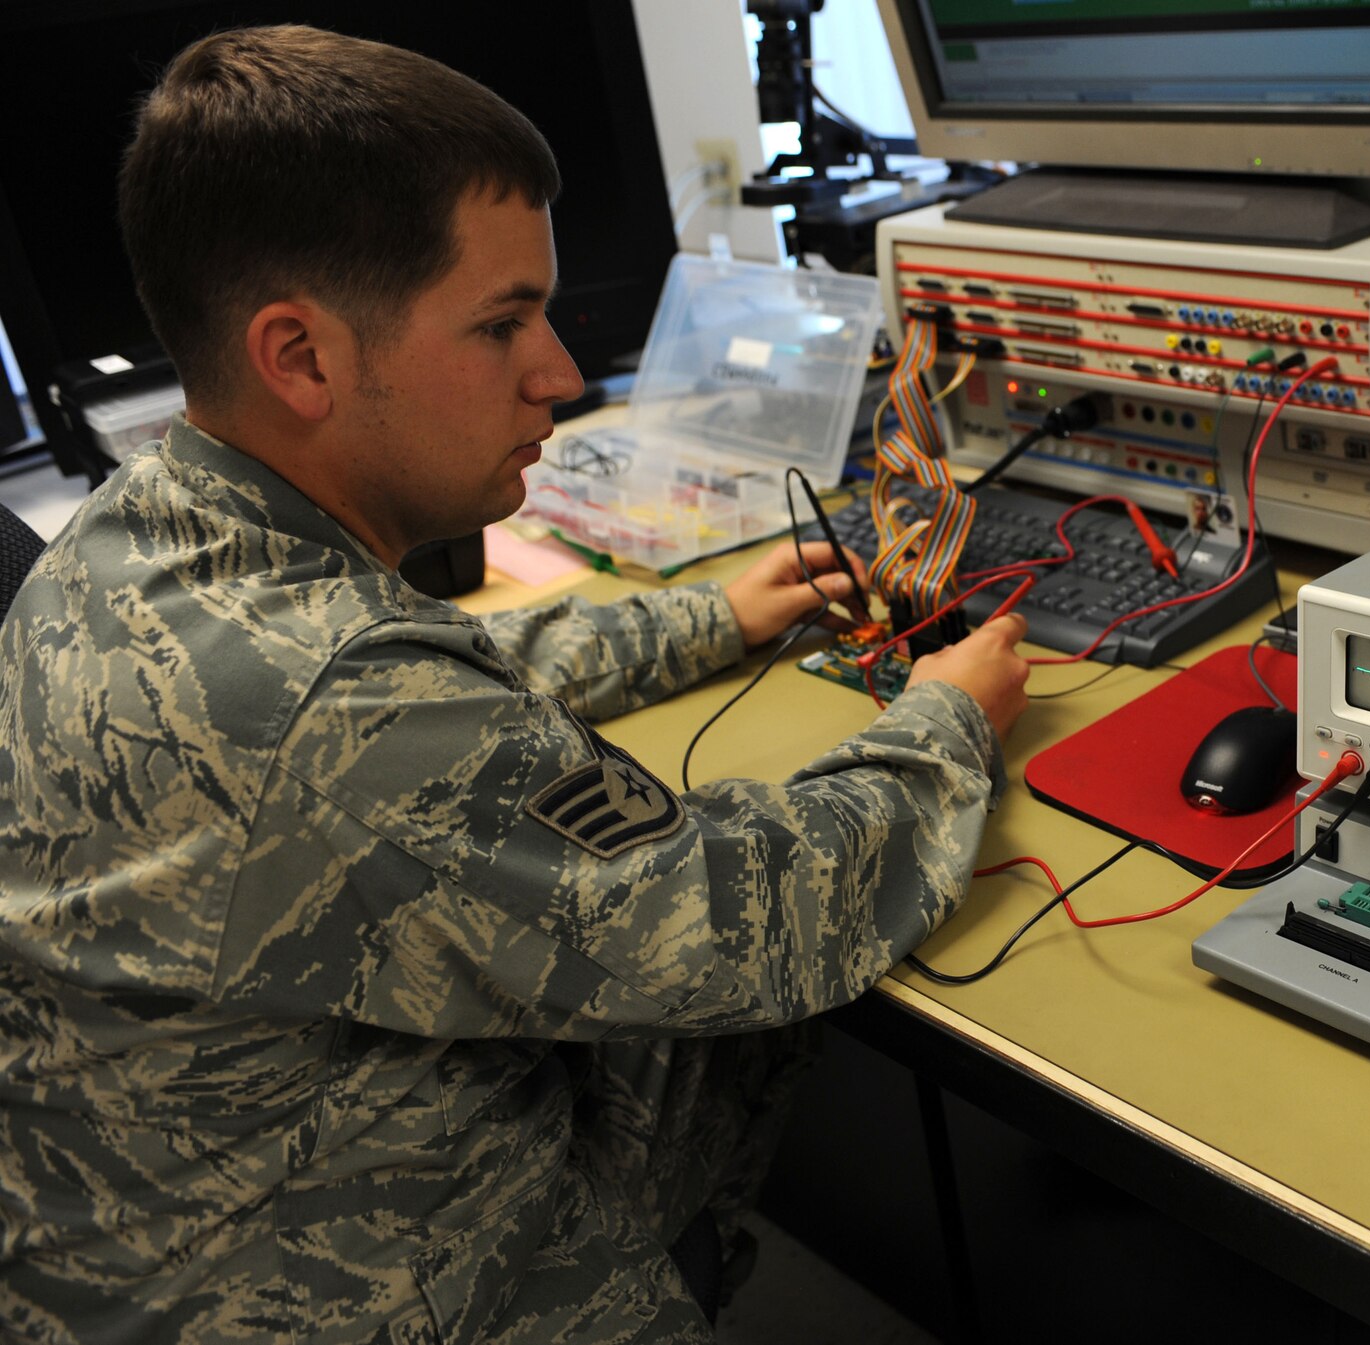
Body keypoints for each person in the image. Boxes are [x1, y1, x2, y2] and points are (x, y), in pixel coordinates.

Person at [0, 24, 1029, 1343]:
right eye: (503, 324)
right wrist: (949, 718)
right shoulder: (345, 703)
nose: (556, 373)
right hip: (338, 1284)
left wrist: (708, 612)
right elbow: (749, 911)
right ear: (300, 356)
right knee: (755, 985)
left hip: (137, 1248)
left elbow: (430, 688)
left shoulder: (131, 537)